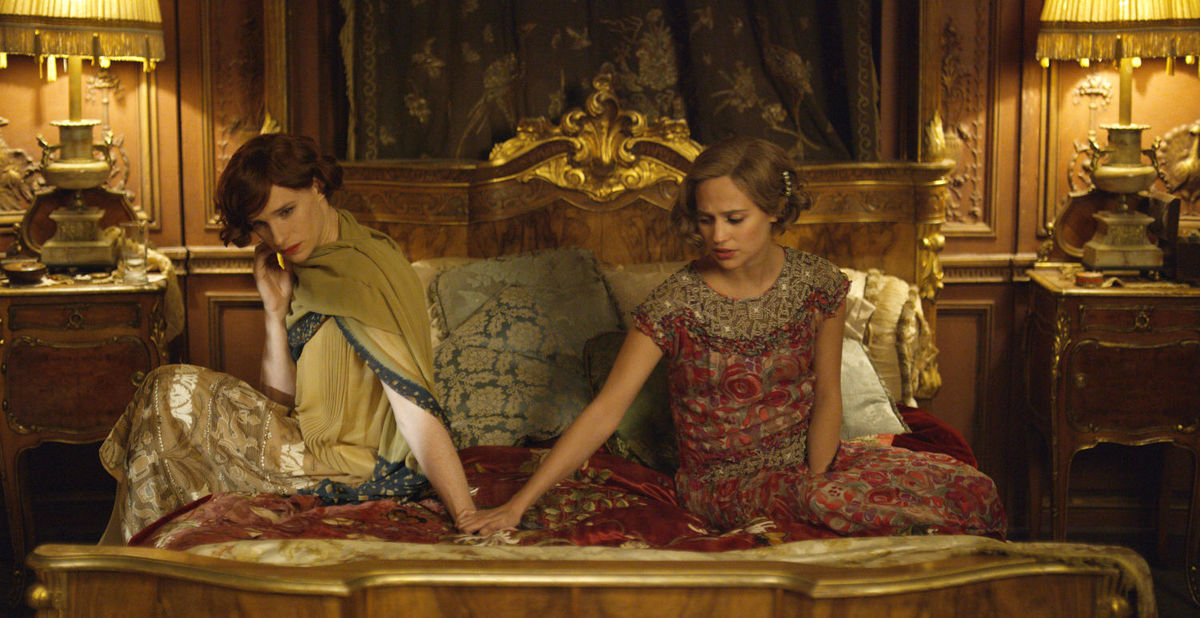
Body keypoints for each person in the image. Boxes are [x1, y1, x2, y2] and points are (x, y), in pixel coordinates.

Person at [460, 136, 1005, 537]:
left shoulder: (818, 284)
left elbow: (828, 395)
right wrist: (517, 505)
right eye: (706, 220)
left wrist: (816, 480)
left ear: (774, 211)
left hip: (812, 463)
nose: (717, 236)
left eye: (734, 218)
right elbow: (605, 411)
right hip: (720, 483)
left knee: (971, 488)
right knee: (851, 505)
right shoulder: (674, 304)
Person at [100, 133, 477, 544]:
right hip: (305, 447)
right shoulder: (316, 264)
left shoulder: (362, 276)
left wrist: (466, 513)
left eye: (286, 211)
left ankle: (133, 565)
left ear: (317, 185)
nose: (278, 237)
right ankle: (138, 561)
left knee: (167, 391)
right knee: (162, 395)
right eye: (261, 224)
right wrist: (275, 311)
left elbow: (413, 408)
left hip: (351, 467)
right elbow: (282, 402)